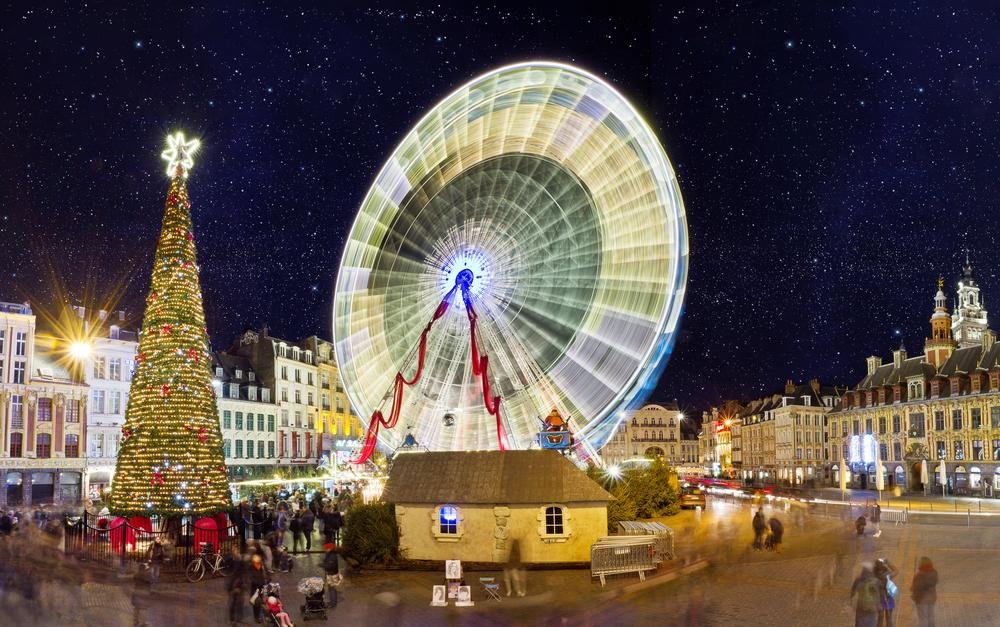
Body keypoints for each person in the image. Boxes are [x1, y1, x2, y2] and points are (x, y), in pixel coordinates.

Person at [911, 556, 938, 627]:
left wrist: (914, 596)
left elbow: (917, 587)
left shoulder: (920, 574)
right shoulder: (934, 572)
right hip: (931, 597)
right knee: (931, 616)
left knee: (923, 618)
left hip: (921, 599)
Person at [873, 558, 899, 627]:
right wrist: (888, 563)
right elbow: (896, 571)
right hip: (888, 598)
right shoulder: (887, 575)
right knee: (888, 617)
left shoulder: (874, 577)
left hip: (879, 599)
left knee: (880, 618)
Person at [225, 546, 246, 626]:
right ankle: (232, 619)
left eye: (236, 550)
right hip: (233, 584)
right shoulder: (230, 560)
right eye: (233, 550)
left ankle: (238, 618)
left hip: (239, 583)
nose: (235, 552)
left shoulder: (241, 560)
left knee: (240, 601)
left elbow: (243, 572)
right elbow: (231, 573)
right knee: (234, 601)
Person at [246, 554, 269, 623]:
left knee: (264, 600)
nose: (258, 564)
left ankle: (264, 614)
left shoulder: (262, 567)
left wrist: (267, 580)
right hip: (255, 589)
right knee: (257, 602)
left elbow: (267, 575)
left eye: (259, 562)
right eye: (256, 562)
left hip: (263, 587)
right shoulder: (250, 568)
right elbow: (251, 579)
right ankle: (257, 617)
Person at [322, 543, 341, 608]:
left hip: (332, 575)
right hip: (331, 574)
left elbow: (329, 565)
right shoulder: (330, 554)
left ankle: (333, 604)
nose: (325, 550)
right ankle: (332, 602)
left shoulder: (332, 555)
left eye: (326, 548)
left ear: (329, 548)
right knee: (331, 589)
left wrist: (323, 565)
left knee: (332, 589)